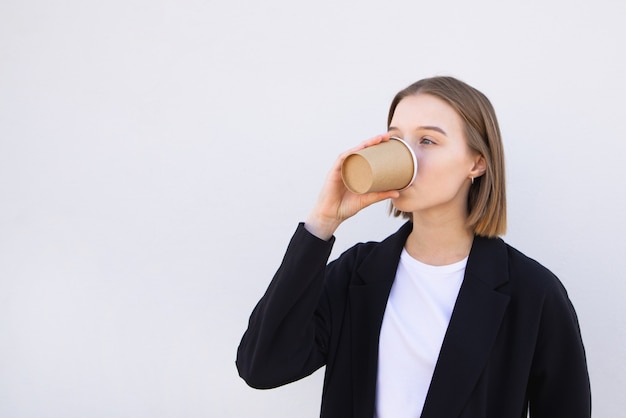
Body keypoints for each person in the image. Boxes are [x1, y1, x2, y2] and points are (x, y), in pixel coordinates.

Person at [236, 76, 591, 417]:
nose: (407, 156)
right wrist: (322, 222)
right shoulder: (357, 272)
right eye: (396, 140)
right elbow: (262, 366)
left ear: (477, 162)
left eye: (428, 141)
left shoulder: (533, 292)